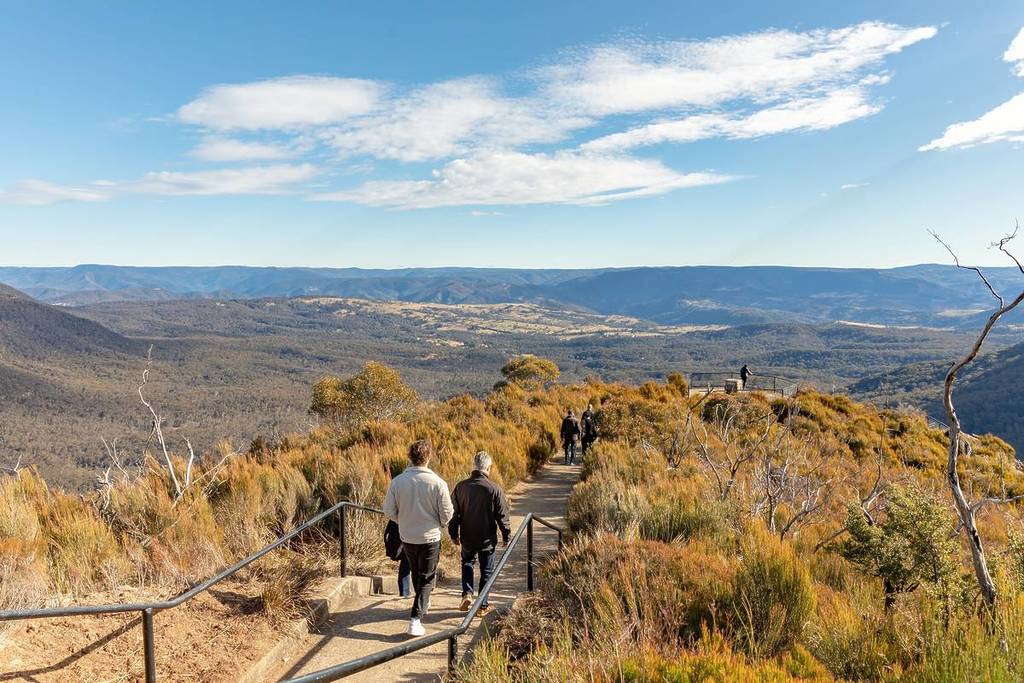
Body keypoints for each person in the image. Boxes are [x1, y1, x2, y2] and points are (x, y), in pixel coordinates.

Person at [383, 439, 454, 637]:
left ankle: (422, 602)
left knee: (416, 572)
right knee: (427, 576)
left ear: (409, 457)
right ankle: (415, 618)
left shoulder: (398, 482)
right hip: (430, 536)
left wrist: (403, 520)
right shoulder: (438, 483)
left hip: (407, 535)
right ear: (429, 457)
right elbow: (447, 513)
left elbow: (388, 510)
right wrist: (438, 523)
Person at [448, 451, 511, 615]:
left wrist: (453, 533)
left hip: (467, 536)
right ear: (488, 468)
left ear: (473, 466)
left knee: (467, 563)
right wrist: (506, 535)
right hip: (487, 539)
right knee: (487, 571)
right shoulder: (494, 489)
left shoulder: (460, 487)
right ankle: (482, 606)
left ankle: (467, 593)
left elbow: (453, 514)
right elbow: (502, 515)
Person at [383, 520, 412, 597]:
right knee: (409, 562)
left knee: (406, 563)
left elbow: (390, 511)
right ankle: (420, 593)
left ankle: (405, 592)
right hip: (419, 530)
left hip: (401, 528)